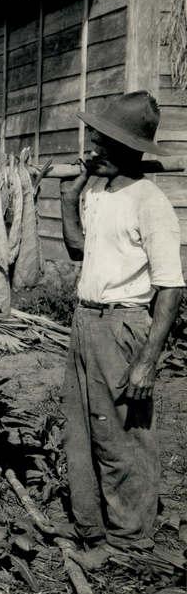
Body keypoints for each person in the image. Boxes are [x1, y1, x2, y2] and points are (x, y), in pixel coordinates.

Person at [59, 90, 184, 552]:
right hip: (84, 321)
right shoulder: (98, 189)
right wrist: (70, 194)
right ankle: (90, 528)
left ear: (132, 150)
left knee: (122, 435)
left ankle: (130, 538)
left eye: (105, 142)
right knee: (82, 428)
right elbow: (79, 249)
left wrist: (147, 362)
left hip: (123, 325)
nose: (94, 149)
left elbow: (171, 288)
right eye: (96, 139)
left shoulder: (150, 202)